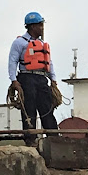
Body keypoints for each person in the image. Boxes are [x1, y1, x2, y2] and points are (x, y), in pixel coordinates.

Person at [8, 12, 58, 145]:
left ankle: (54, 138)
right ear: (32, 26)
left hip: (41, 78)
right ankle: (30, 140)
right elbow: (12, 61)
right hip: (26, 77)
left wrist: (53, 80)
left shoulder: (42, 44)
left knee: (47, 108)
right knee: (29, 109)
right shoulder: (19, 43)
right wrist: (14, 81)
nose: (42, 28)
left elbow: (49, 63)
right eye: (40, 25)